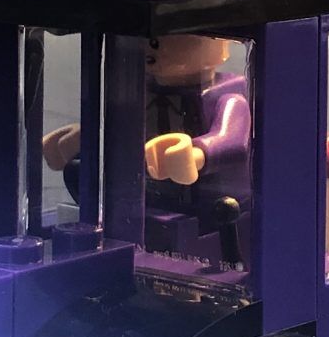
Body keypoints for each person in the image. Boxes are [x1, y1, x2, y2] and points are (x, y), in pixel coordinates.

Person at [41, 36, 252, 243]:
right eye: (149, 39)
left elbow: (231, 140)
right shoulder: (139, 90)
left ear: (221, 45)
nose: (153, 47)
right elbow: (123, 131)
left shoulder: (228, 98)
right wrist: (86, 138)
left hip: (211, 210)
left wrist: (195, 155)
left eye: (165, 37)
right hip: (145, 195)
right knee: (77, 170)